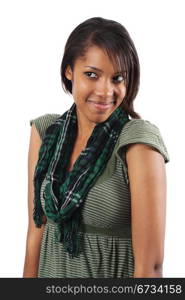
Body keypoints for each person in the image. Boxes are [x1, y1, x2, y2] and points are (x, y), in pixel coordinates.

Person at [23, 17, 170, 278]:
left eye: (117, 78)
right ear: (69, 71)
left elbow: (151, 267)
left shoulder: (137, 141)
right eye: (92, 74)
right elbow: (36, 233)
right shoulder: (46, 133)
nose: (106, 91)